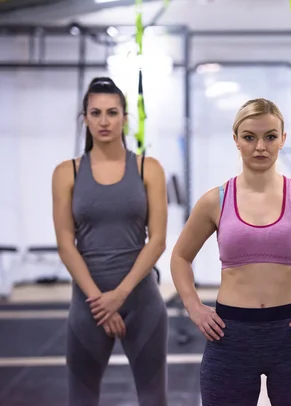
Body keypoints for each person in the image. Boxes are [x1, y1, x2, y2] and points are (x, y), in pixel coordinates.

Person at [170, 98, 291, 406]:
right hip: (230, 337)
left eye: (270, 137)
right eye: (250, 137)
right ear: (236, 140)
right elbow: (181, 256)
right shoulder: (215, 201)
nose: (260, 146)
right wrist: (195, 308)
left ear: (282, 140)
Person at [51, 77, 169, 406]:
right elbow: (65, 243)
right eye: (96, 112)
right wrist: (100, 302)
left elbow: (157, 240)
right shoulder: (66, 173)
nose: (104, 121)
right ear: (84, 119)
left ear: (125, 118)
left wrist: (119, 295)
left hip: (141, 304)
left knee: (154, 399)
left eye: (112, 112)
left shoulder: (149, 169)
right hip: (89, 307)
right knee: (82, 399)